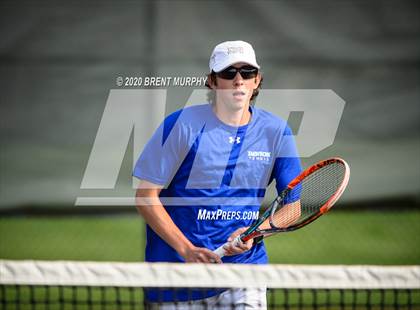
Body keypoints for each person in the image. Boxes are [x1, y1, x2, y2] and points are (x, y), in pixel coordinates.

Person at [134, 40, 301, 309]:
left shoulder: (276, 131)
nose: (238, 81)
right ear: (212, 81)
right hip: (178, 278)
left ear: (257, 80)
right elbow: (145, 196)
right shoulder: (181, 125)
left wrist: (256, 233)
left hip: (244, 273)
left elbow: (293, 208)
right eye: (228, 73)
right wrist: (186, 249)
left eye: (246, 73)